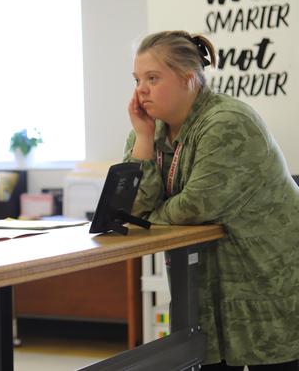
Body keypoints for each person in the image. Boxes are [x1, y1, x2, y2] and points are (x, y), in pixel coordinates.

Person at [125, 30, 299, 371]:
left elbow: (195, 208)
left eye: (153, 78)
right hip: (206, 288)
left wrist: (150, 214)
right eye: (136, 79)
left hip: (267, 282)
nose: (140, 90)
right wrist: (144, 140)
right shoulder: (149, 129)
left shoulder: (228, 123)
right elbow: (131, 207)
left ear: (189, 80)